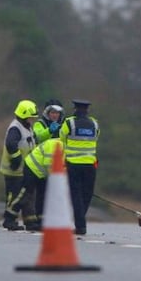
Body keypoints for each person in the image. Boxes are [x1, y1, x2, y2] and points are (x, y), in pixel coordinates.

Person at [60, 99, 100, 235]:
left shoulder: (69, 123)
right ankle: (80, 220)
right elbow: (97, 137)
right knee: (86, 194)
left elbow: (62, 138)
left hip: (73, 164)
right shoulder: (94, 123)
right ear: (87, 110)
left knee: (76, 195)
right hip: (90, 165)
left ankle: (80, 225)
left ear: (75, 109)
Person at [0, 100, 39, 231]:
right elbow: (11, 144)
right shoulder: (15, 128)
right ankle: (9, 220)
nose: (32, 119)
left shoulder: (26, 126)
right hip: (14, 170)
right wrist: (16, 159)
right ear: (24, 115)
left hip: (25, 169)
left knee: (28, 195)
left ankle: (31, 221)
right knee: (15, 196)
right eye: (30, 117)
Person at [19, 137, 62, 231]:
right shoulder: (54, 145)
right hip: (32, 168)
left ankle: (41, 221)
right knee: (28, 193)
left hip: (42, 173)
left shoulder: (66, 148)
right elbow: (49, 164)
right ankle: (23, 220)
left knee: (42, 196)